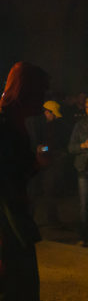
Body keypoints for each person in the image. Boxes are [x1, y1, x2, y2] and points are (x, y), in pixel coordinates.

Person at [0, 62, 49, 301]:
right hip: (2, 211)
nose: (43, 98)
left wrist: (36, 163)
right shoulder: (0, 123)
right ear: (25, 90)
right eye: (40, 91)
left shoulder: (14, 122)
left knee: (21, 279)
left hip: (11, 210)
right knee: (5, 279)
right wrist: (21, 225)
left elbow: (16, 171)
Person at [69, 95, 88, 246]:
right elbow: (70, 147)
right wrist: (83, 146)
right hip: (83, 170)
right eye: (87, 106)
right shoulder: (80, 125)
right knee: (84, 205)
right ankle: (85, 237)